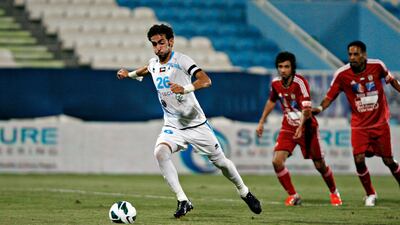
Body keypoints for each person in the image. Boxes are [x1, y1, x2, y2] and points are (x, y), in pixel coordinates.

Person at [116, 24, 261, 218]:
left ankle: (244, 191)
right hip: (172, 125)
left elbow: (206, 80)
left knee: (222, 163)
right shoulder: (154, 63)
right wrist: (130, 75)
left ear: (170, 42)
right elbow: (147, 69)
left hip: (196, 125)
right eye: (154, 44)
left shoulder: (182, 60)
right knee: (160, 152)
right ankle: (183, 200)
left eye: (161, 43)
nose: (158, 47)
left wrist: (185, 89)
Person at [313, 40, 400, 206]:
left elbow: (392, 81)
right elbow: (329, 96)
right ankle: (370, 194)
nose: (352, 57)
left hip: (380, 123)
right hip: (359, 125)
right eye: (350, 54)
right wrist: (319, 108)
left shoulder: (377, 66)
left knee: (388, 161)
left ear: (364, 55)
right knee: (359, 159)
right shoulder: (342, 74)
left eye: (356, 54)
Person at [256, 51, 342, 206]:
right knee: (277, 162)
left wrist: (301, 127)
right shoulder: (276, 83)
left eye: (286, 67)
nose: (283, 70)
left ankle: (334, 192)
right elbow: (271, 101)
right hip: (288, 127)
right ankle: (293, 195)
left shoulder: (300, 83)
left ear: (292, 68)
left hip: (307, 128)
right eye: (280, 67)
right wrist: (262, 121)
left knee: (319, 165)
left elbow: (307, 110)